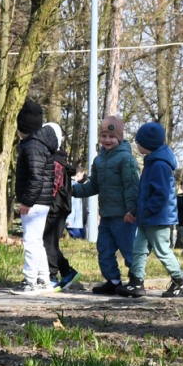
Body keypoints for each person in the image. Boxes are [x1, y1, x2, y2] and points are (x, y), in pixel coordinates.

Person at [73, 116, 139, 295]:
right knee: (104, 248)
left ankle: (136, 280)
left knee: (129, 248)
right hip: (107, 215)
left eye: (112, 136)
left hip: (124, 216)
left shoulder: (126, 159)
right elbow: (93, 185)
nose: (107, 140)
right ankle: (113, 280)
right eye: (104, 136)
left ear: (119, 138)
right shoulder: (99, 160)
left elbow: (132, 187)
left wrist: (132, 210)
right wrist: (71, 190)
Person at [126, 123, 183, 298]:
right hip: (147, 217)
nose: (136, 145)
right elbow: (144, 193)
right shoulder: (151, 162)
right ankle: (136, 281)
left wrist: (147, 210)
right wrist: (136, 210)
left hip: (158, 218)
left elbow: (161, 194)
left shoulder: (159, 165)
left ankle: (180, 280)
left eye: (138, 142)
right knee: (139, 248)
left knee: (162, 250)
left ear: (148, 144)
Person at [13, 100, 58, 295]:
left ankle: (30, 281)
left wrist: (26, 202)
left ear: (23, 127)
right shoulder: (41, 144)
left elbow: (36, 177)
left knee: (30, 241)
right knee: (37, 241)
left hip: (35, 201)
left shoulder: (31, 146)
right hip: (43, 200)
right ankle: (43, 280)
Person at [42, 123, 79, 291]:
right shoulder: (58, 161)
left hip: (54, 209)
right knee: (49, 243)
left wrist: (41, 202)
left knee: (48, 243)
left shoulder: (54, 162)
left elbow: (53, 186)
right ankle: (67, 271)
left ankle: (52, 277)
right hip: (57, 208)